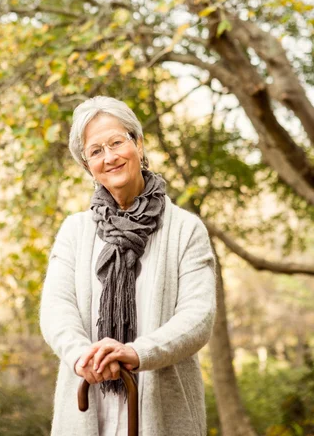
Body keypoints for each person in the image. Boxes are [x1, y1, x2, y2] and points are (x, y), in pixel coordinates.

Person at [39, 96, 216, 436]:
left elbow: (199, 316)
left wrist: (136, 353)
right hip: (87, 407)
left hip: (163, 411)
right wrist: (83, 357)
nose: (110, 157)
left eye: (117, 142)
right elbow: (56, 309)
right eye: (96, 151)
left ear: (138, 143)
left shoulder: (185, 229)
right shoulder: (74, 231)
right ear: (87, 164)